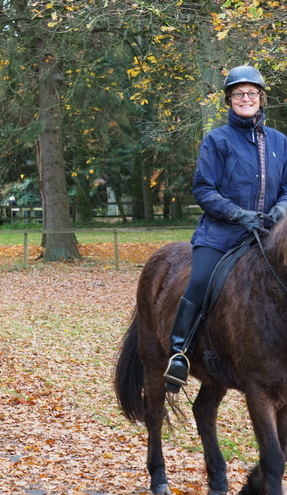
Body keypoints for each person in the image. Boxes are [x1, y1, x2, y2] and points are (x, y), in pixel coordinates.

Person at [164, 65, 287, 393]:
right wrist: (237, 214)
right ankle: (179, 353)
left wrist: (280, 209)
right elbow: (204, 189)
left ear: (261, 98)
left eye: (251, 93)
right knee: (200, 281)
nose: (245, 99)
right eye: (238, 94)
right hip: (221, 233)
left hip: (267, 234)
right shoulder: (216, 140)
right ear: (229, 100)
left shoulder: (279, 141)